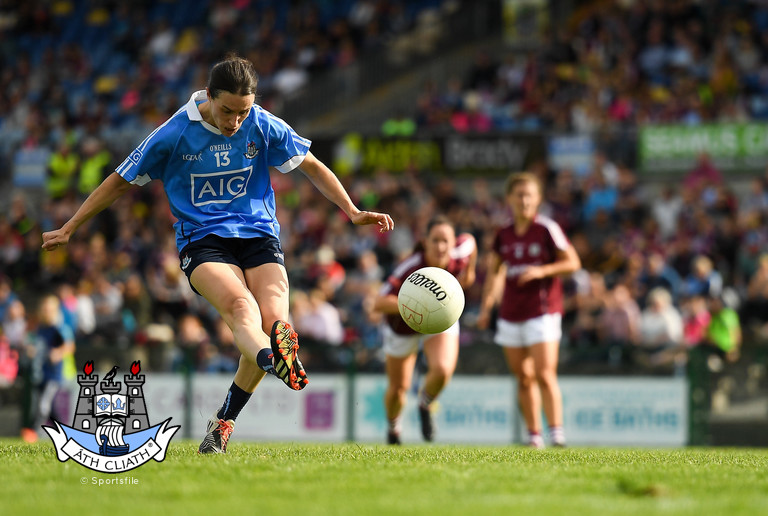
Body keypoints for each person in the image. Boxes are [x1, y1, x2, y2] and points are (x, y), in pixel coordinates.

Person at [42, 54, 394, 454]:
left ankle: (226, 417)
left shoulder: (261, 123)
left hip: (259, 233)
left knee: (276, 317)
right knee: (243, 309)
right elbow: (118, 182)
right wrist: (71, 226)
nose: (235, 122)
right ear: (208, 96)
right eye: (227, 111)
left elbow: (311, 165)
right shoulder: (173, 134)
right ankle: (269, 359)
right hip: (203, 240)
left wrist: (351, 210)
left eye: (243, 112)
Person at [477, 172, 581, 448]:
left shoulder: (546, 229)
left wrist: (542, 270)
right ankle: (533, 435)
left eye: (529, 195)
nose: (524, 200)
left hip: (543, 310)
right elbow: (495, 273)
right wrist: (487, 306)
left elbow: (573, 263)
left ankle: (556, 433)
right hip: (511, 312)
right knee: (523, 377)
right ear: (509, 199)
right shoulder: (503, 233)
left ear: (538, 199)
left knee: (545, 373)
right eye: (519, 195)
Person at [373, 215, 477, 444]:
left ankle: (425, 404)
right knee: (399, 388)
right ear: (425, 242)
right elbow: (378, 303)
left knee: (442, 370)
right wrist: (415, 303)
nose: (441, 247)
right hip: (402, 324)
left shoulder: (461, 252)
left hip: (440, 317)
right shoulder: (410, 267)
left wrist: (469, 276)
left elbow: (470, 241)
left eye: (445, 241)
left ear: (453, 243)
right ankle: (393, 429)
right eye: (435, 240)